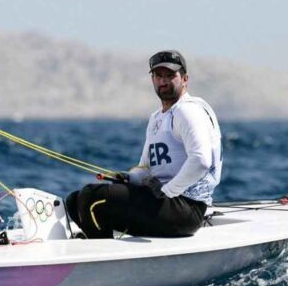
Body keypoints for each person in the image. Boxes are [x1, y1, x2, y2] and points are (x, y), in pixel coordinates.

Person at [66, 50, 222, 238]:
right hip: (163, 203)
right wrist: (129, 178)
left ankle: (99, 254)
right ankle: (100, 246)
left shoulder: (187, 111)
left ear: (185, 79)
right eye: (158, 75)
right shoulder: (156, 118)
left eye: (170, 75)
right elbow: (145, 169)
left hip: (186, 209)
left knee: (91, 197)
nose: (163, 81)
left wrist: (167, 191)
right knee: (74, 200)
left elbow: (200, 161)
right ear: (152, 79)